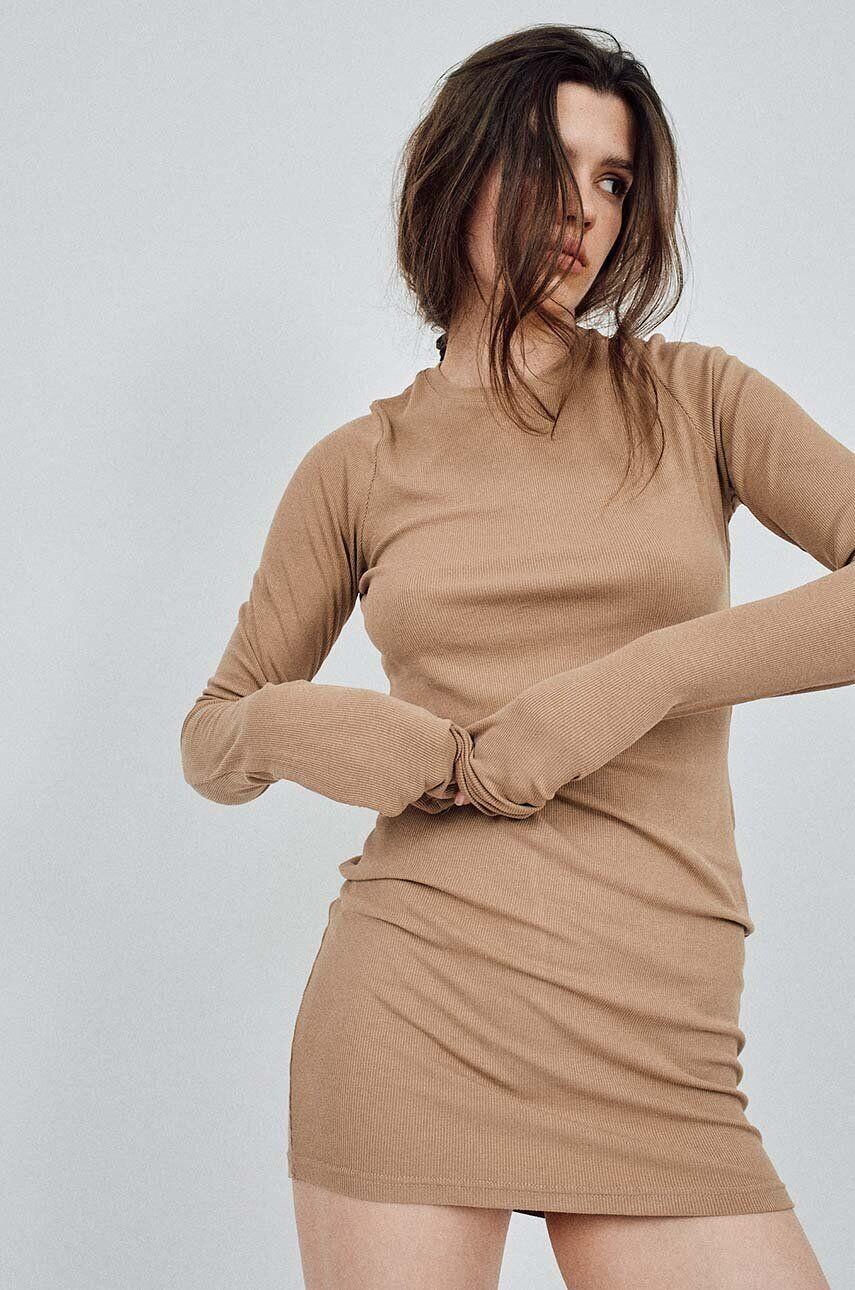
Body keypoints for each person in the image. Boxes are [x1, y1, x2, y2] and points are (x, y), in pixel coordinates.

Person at [179, 23, 850, 1290]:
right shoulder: (357, 467)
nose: (586, 210)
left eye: (615, 179)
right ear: (462, 173)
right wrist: (330, 732)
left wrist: (643, 679)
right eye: (551, 163)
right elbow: (213, 735)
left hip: (661, 1038)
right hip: (416, 1006)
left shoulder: (697, 399)